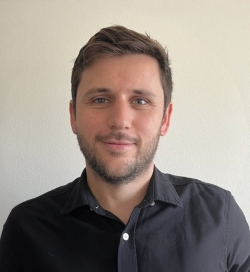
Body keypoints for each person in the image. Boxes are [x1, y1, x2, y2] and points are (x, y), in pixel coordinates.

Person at [0, 25, 249, 272]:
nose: (120, 120)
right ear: (73, 115)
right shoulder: (26, 228)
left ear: (165, 118)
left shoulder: (220, 216)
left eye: (140, 101)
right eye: (100, 99)